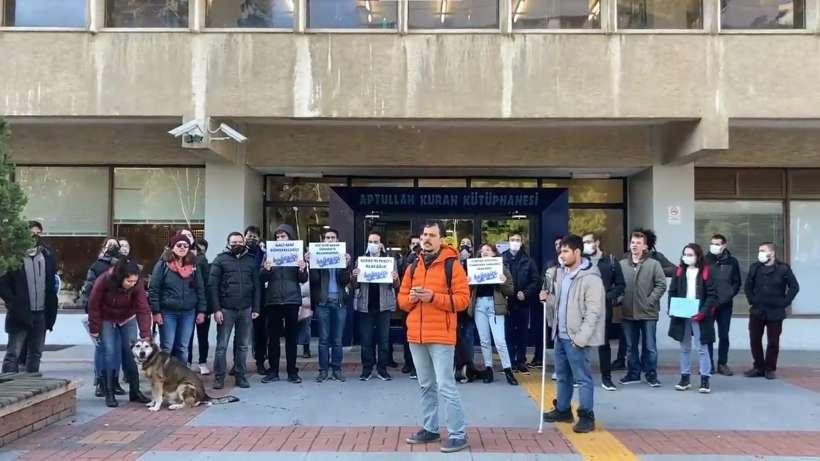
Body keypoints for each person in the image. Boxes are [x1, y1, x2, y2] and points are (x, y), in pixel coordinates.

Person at [399, 221, 471, 453]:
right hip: (416, 336)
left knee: (445, 385)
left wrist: (433, 297)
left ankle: (458, 433)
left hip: (441, 335)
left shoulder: (453, 266)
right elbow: (401, 301)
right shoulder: (413, 266)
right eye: (424, 235)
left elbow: (462, 301)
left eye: (432, 235)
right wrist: (411, 298)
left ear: (442, 239)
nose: (427, 239)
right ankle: (430, 428)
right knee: (425, 385)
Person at [542, 234, 606, 434]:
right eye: (560, 251)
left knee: (582, 377)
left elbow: (593, 312)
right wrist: (549, 299)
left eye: (565, 251)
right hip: (560, 335)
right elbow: (563, 303)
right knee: (562, 376)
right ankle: (563, 409)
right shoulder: (563, 274)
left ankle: (586, 415)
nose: (561, 255)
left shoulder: (591, 278)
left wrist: (581, 338)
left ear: (577, 252)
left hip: (576, 338)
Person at [87, 259, 152, 407]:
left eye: (135, 281)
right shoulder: (104, 280)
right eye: (129, 281)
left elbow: (143, 308)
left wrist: (145, 333)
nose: (132, 284)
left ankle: (135, 391)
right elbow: (93, 305)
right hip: (106, 317)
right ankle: (109, 392)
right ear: (120, 277)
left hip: (127, 317)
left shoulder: (137, 285)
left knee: (131, 352)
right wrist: (95, 329)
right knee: (109, 351)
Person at [209, 232, 261, 389]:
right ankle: (219, 377)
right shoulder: (220, 260)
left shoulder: (251, 261)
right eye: (234, 242)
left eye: (240, 241)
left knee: (243, 345)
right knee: (222, 346)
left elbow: (257, 286)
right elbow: (212, 287)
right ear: (228, 243)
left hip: (246, 309)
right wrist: (216, 309)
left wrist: (256, 308)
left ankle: (241, 376)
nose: (237, 244)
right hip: (226, 309)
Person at [0, 237, 58, 373]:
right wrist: (13, 302)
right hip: (20, 312)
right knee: (13, 352)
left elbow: (50, 283)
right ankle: (9, 385)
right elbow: (2, 283)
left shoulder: (47, 257)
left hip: (41, 312)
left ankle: (32, 383)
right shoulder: (15, 259)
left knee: (36, 352)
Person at [743, 242, 799, 380]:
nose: (760, 253)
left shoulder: (783, 269)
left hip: (775, 311)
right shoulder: (755, 267)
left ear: (772, 253)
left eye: (763, 250)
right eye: (759, 250)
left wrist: (785, 302)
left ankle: (769, 368)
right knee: (755, 339)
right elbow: (747, 287)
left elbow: (794, 287)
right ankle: (758, 367)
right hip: (757, 310)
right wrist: (753, 300)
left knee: (773, 342)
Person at [618, 230, 667, 388]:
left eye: (638, 243)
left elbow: (661, 284)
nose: (635, 245)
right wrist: (619, 299)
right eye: (633, 242)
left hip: (648, 312)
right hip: (628, 312)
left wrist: (650, 300)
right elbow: (618, 285)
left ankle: (651, 375)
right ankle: (633, 373)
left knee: (650, 346)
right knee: (631, 347)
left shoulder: (654, 264)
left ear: (645, 246)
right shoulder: (622, 264)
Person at [261, 224, 308, 384]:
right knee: (273, 338)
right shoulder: (268, 254)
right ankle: (273, 371)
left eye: (283, 236)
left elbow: (303, 279)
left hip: (291, 299)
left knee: (291, 338)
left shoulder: (297, 253)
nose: (280, 239)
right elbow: (262, 278)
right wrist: (266, 269)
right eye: (277, 237)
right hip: (273, 300)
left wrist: (302, 269)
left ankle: (292, 371)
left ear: (290, 237)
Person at [149, 233, 207, 363]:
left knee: (183, 348)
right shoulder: (163, 265)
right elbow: (154, 289)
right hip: (168, 312)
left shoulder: (193, 265)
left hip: (188, 313)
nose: (182, 247)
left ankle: (182, 378)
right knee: (167, 347)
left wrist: (202, 311)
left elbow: (200, 289)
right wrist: (156, 312)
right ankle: (164, 378)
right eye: (179, 245)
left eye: (186, 245)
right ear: (172, 247)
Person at [667, 244, 718, 394]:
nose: (686, 257)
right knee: (684, 347)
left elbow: (712, 295)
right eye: (685, 254)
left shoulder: (706, 271)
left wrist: (703, 312)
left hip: (700, 314)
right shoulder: (680, 271)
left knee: (702, 347)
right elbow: (673, 291)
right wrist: (672, 308)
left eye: (690, 254)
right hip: (683, 312)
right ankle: (685, 377)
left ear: (698, 256)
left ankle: (705, 379)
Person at [351, 232, 400, 381]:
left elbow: (396, 285)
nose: (373, 244)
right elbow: (354, 285)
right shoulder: (361, 261)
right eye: (370, 241)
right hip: (365, 306)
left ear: (381, 244)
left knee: (383, 341)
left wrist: (395, 278)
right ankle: (367, 369)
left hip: (383, 306)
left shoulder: (389, 261)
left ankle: (382, 369)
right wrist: (354, 276)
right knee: (366, 341)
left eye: (376, 241)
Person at [306, 228, 352, 382]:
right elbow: (313, 280)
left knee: (338, 340)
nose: (330, 240)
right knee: (324, 339)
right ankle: (323, 370)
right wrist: (311, 263)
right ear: (323, 241)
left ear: (337, 241)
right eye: (327, 238)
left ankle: (337, 369)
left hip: (339, 303)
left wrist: (346, 266)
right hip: (323, 304)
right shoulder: (318, 257)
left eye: (333, 238)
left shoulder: (342, 257)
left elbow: (345, 281)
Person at [581, 233, 625, 391]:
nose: (586, 245)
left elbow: (620, 284)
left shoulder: (610, 261)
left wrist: (608, 296)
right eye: (584, 242)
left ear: (597, 242)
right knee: (581, 343)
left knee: (603, 344)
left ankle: (607, 378)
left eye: (589, 241)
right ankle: (581, 377)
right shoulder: (580, 262)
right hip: (582, 308)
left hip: (603, 309)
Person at [470, 244, 517, 385]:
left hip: (494, 305)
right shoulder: (474, 268)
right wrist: (468, 283)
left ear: (494, 253)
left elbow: (510, 290)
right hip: (479, 305)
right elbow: (469, 289)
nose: (484, 252)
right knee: (484, 340)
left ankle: (508, 370)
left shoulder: (501, 268)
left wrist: (503, 283)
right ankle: (488, 369)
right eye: (482, 250)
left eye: (488, 250)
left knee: (500, 340)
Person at [503, 233, 540, 375]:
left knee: (523, 333)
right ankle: (510, 362)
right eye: (512, 240)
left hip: (523, 302)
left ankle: (521, 361)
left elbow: (535, 281)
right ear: (508, 242)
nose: (515, 242)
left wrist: (525, 293)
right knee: (508, 333)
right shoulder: (501, 259)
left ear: (522, 242)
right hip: (507, 303)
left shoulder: (528, 261)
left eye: (517, 240)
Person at [704, 234, 742, 376]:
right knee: (708, 335)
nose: (715, 246)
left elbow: (736, 282)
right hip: (709, 304)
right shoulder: (705, 261)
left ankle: (722, 363)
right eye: (712, 243)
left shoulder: (732, 262)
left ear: (724, 245)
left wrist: (728, 295)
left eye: (718, 244)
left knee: (724, 335)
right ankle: (709, 364)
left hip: (725, 305)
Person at [454, 237, 478, 383]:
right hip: (456, 308)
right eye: (463, 244)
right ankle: (457, 367)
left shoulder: (475, 264)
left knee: (468, 338)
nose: (465, 247)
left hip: (469, 308)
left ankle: (468, 368)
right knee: (456, 339)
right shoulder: (455, 264)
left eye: (468, 244)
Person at [188, 238, 213, 375]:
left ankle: (202, 362)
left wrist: (207, 308)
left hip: (202, 305)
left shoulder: (202, 262)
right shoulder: (182, 262)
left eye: (202, 248)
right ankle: (189, 362)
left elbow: (207, 286)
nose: (198, 251)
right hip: (188, 306)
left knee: (202, 336)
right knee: (188, 337)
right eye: (197, 248)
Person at [399, 236, 421, 378]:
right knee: (408, 335)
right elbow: (402, 274)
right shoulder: (405, 259)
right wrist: (411, 258)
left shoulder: (424, 258)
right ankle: (408, 363)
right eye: (412, 244)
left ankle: (417, 366)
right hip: (408, 301)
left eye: (417, 244)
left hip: (422, 301)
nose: (415, 246)